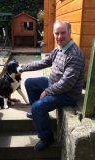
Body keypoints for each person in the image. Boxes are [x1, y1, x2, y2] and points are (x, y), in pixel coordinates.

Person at [21, 20, 85, 151]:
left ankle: (47, 137)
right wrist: (22, 67)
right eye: (57, 33)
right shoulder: (59, 49)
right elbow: (44, 62)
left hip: (67, 94)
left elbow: (66, 84)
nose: (59, 36)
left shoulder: (74, 55)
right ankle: (37, 115)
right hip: (53, 83)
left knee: (38, 107)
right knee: (29, 83)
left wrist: (48, 91)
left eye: (63, 33)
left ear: (69, 33)